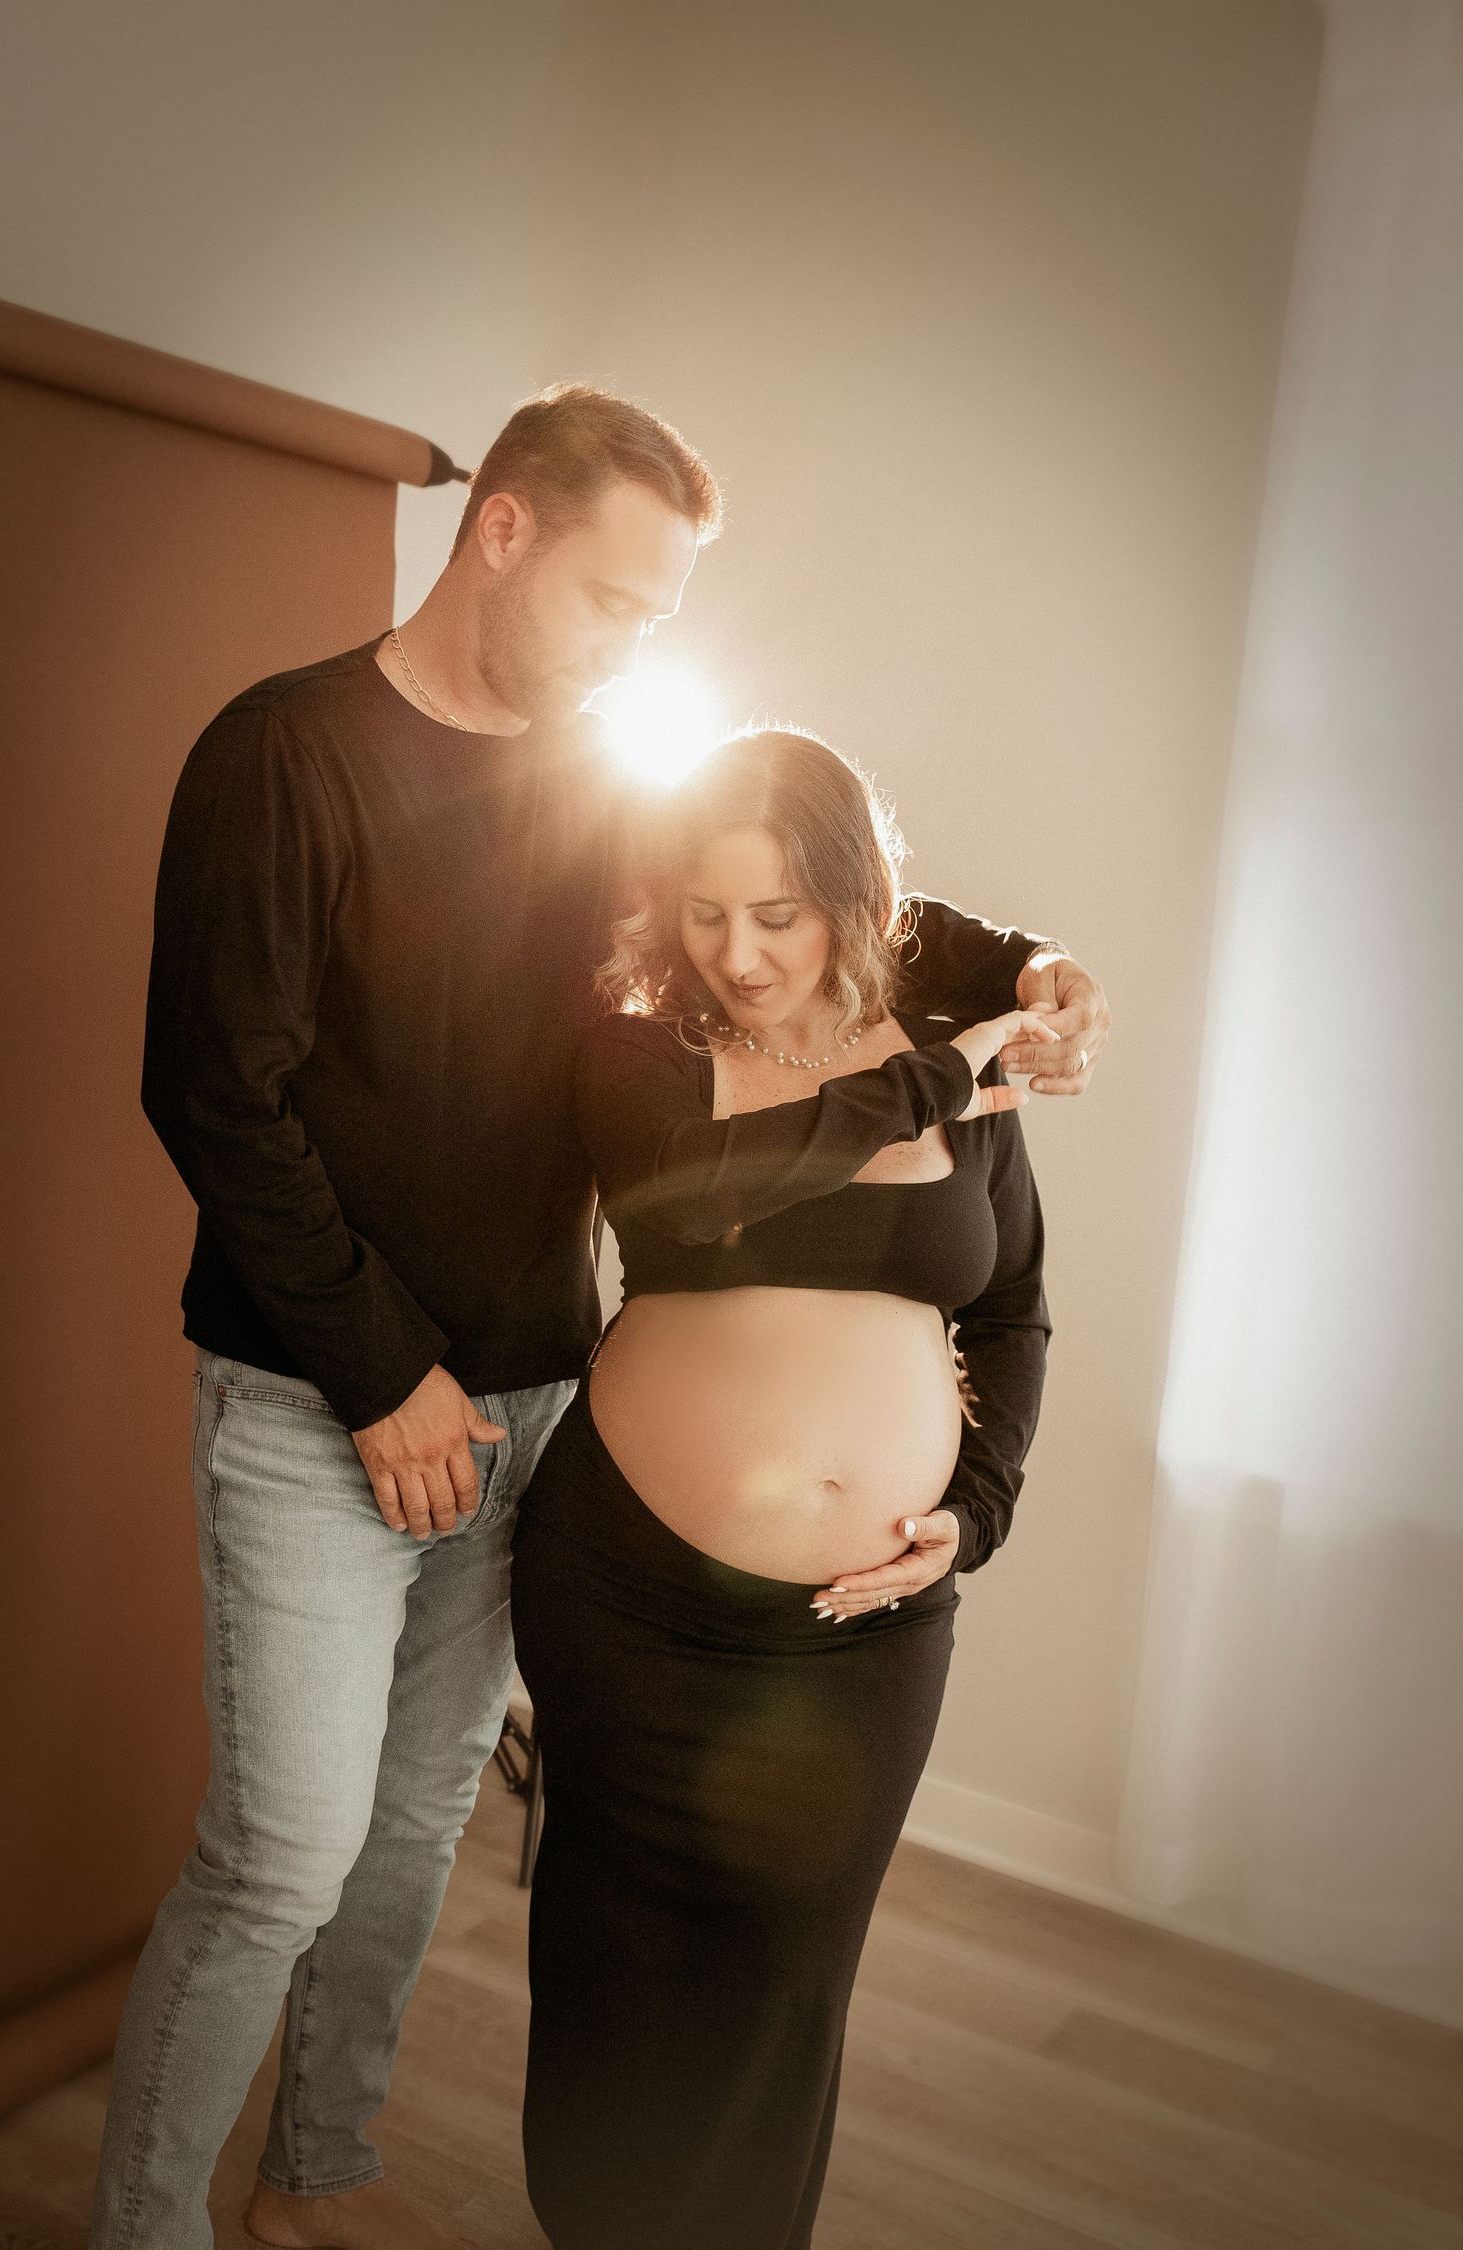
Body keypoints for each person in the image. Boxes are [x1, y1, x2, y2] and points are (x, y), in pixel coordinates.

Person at [88, 385, 1110, 2250]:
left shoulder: (596, 778)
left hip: (531, 1401)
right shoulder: (285, 754)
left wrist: (1029, 964)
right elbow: (211, 1097)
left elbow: (828, 884)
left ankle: (314, 2178)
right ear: (502, 530)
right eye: (619, 601)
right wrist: (384, 1370)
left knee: (418, 1832)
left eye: (663, 616)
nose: (641, 648)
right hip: (325, 1395)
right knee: (283, 1859)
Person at [511, 726, 1058, 2250]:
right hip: (629, 1594)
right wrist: (945, 1071)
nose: (738, 954)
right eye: (705, 913)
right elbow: (723, 1187)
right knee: (616, 1956)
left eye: (777, 913)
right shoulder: (638, 1057)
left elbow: (1012, 1311)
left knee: (786, 1979)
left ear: (853, 899)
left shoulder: (959, 1079)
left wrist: (979, 1507)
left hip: (863, 1627)